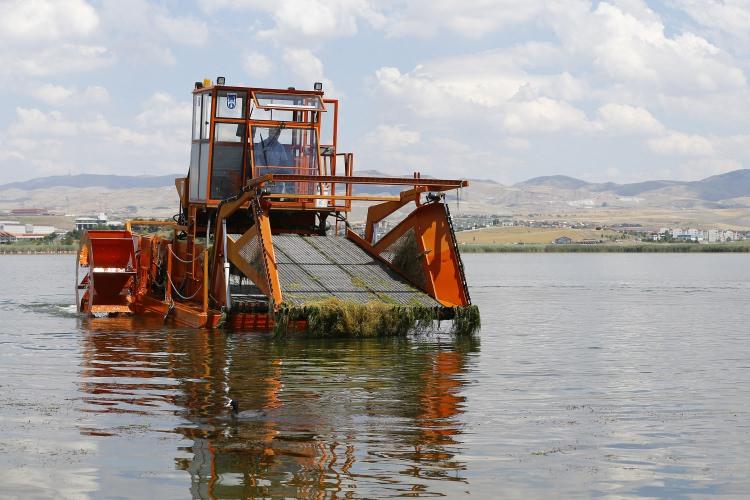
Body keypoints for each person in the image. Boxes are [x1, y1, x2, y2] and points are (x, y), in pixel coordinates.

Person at [253, 127, 295, 193]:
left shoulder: (280, 147)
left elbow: (284, 161)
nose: (275, 136)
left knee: (288, 174)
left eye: (277, 134)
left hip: (276, 171)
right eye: (273, 133)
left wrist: (277, 168)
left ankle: (290, 195)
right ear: (269, 133)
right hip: (262, 171)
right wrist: (268, 168)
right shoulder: (261, 144)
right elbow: (258, 158)